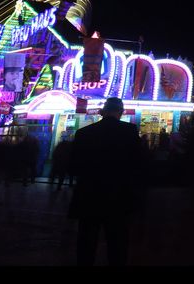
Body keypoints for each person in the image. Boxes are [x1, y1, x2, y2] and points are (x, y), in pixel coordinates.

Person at [69, 97, 145, 266]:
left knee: (86, 241)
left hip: (89, 194)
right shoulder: (129, 131)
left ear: (103, 111)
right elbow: (138, 164)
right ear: (121, 111)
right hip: (118, 195)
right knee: (117, 243)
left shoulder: (84, 133)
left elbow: (74, 166)